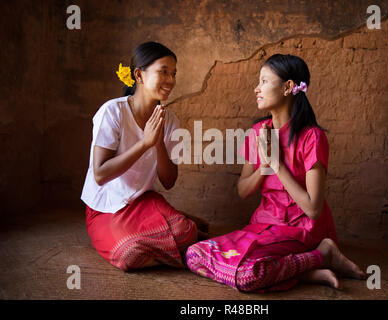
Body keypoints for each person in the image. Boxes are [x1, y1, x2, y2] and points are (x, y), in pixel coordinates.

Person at [186, 54, 366, 292]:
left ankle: (323, 252)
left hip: (301, 229)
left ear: (288, 87)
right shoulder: (258, 131)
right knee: (195, 254)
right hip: (263, 224)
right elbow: (243, 190)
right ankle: (307, 269)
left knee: (249, 275)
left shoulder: (312, 137)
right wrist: (264, 166)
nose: (256, 88)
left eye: (264, 81)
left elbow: (313, 209)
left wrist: (276, 163)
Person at [81, 41, 208, 272]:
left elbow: (168, 182)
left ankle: (171, 231)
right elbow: (100, 175)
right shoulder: (112, 111)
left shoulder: (170, 121)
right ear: (139, 75)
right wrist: (144, 143)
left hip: (143, 201)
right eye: (164, 72)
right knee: (129, 255)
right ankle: (172, 237)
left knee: (186, 232)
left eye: (174, 73)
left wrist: (158, 142)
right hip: (107, 207)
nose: (171, 80)